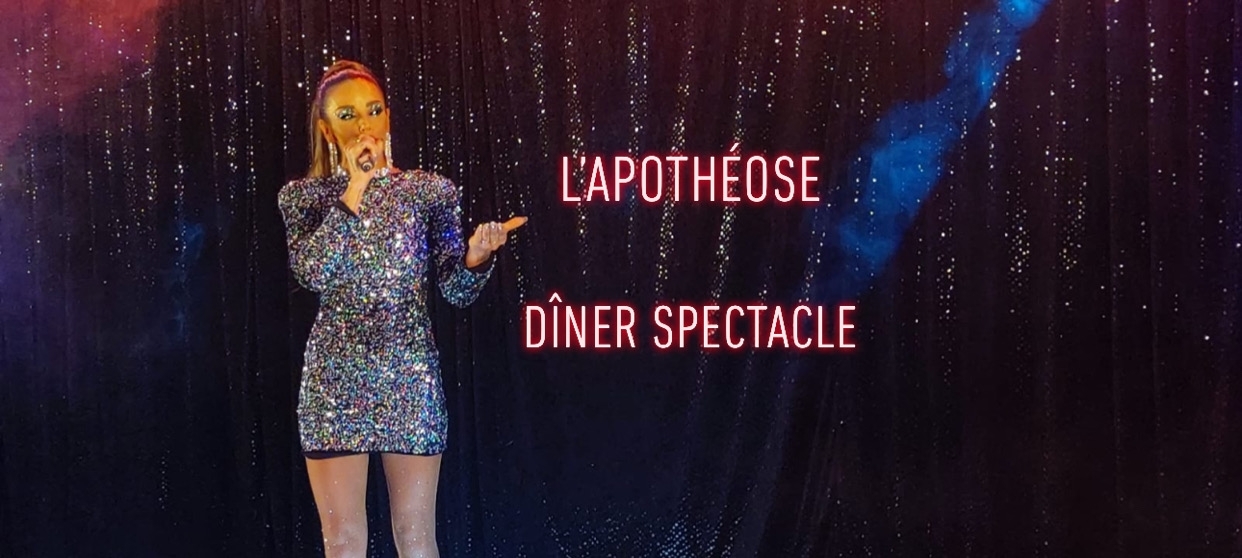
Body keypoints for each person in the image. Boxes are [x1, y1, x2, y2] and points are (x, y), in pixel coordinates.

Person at [278, 59, 526, 558]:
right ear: (326, 130)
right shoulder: (302, 198)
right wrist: (355, 188)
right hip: (336, 379)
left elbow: (456, 290)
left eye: (374, 110)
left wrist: (477, 257)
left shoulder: (429, 192)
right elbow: (313, 271)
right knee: (343, 542)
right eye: (347, 115)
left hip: (409, 374)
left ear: (388, 116)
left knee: (416, 539)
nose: (364, 125)